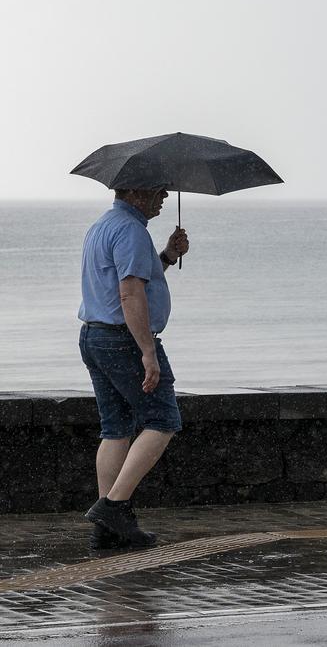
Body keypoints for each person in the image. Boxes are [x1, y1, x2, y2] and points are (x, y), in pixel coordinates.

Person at [78, 187, 189, 549]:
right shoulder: (130, 231)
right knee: (163, 420)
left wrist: (168, 256)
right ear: (136, 192)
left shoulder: (103, 226)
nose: (164, 196)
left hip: (94, 336)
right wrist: (147, 351)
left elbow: (126, 282)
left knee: (116, 429)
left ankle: (107, 528)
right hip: (123, 341)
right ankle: (114, 507)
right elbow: (129, 293)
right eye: (157, 191)